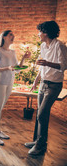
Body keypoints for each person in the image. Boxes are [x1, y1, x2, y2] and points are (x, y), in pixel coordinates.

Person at [24, 21, 67, 155]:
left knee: (42, 113)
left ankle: (41, 145)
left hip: (54, 85)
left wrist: (47, 63)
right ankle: (38, 141)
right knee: (40, 113)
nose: (38, 34)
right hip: (43, 83)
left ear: (46, 32)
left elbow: (63, 66)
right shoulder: (43, 45)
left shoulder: (59, 45)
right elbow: (42, 66)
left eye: (40, 32)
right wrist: (36, 81)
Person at [0, 30, 31, 145]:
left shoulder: (12, 52)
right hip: (0, 82)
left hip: (10, 82)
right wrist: (7, 68)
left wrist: (24, 58)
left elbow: (17, 69)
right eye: (10, 35)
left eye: (13, 34)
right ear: (4, 37)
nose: (13, 36)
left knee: (1, 107)